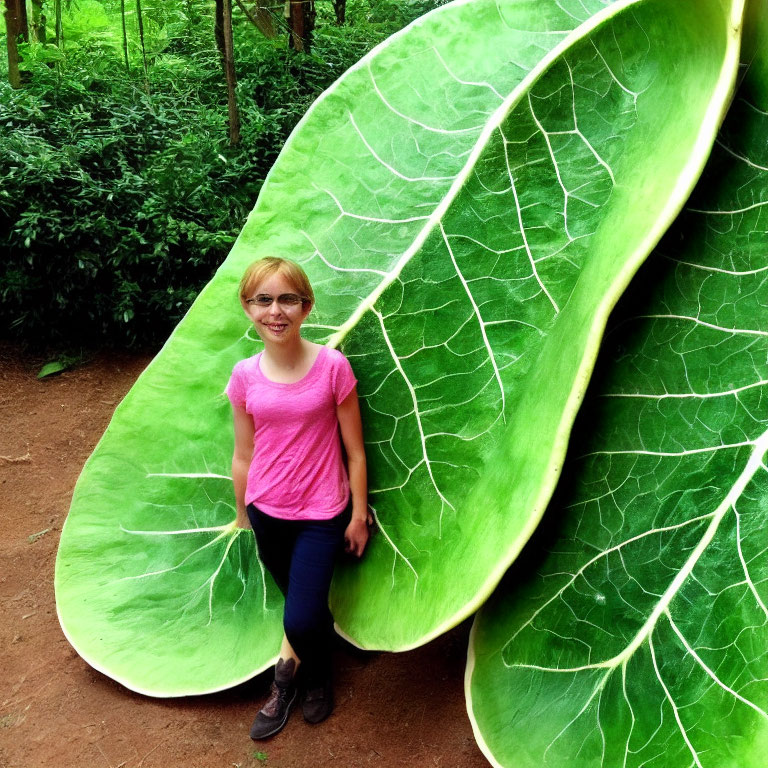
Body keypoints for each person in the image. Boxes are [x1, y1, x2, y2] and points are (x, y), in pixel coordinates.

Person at [226, 256, 369, 740]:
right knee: (301, 608)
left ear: (306, 306)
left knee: (302, 614)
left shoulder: (332, 366)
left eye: (288, 299)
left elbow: (354, 450)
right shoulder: (244, 375)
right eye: (262, 299)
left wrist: (358, 516)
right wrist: (242, 510)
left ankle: (295, 676)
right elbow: (243, 453)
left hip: (322, 512)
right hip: (266, 509)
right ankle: (311, 671)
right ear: (248, 308)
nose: (275, 310)